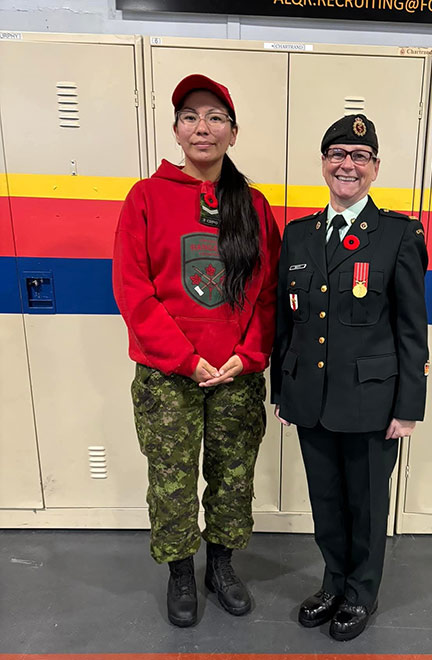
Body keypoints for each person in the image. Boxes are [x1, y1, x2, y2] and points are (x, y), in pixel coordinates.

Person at [113, 74, 281, 627]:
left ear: (233, 132)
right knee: (172, 479)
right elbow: (134, 292)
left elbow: (269, 294)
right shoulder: (145, 198)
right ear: (176, 129)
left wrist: (250, 354)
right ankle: (181, 572)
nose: (202, 127)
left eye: (214, 117)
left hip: (235, 373)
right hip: (168, 376)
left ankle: (222, 567)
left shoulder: (253, 207)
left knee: (234, 476)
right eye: (190, 116)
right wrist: (185, 358)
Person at [271, 114, 428, 641]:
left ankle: (361, 593)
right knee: (327, 502)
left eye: (359, 157)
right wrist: (282, 391)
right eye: (337, 154)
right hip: (311, 399)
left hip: (371, 402)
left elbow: (411, 328)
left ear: (375, 168)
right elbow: (284, 323)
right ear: (323, 164)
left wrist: (408, 407)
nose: (347, 165)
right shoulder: (297, 236)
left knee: (366, 505)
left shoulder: (398, 235)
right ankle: (333, 582)